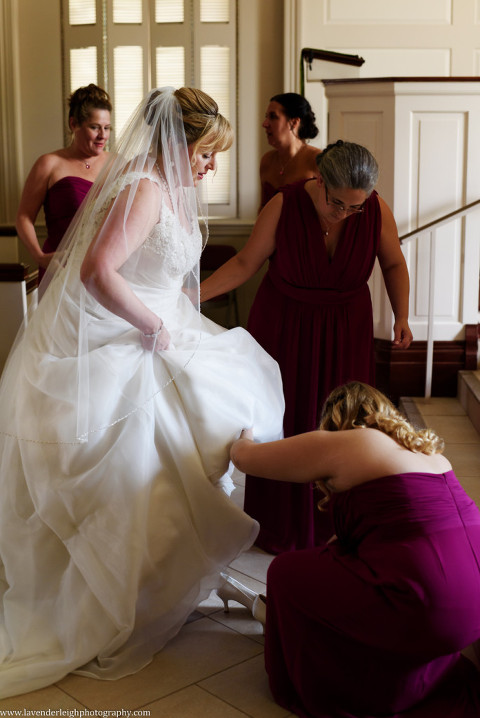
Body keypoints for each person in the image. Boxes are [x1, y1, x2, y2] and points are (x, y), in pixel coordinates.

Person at [0, 86, 284, 698]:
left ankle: (167, 582)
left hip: (164, 329)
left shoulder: (168, 185)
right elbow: (96, 270)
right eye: (208, 153)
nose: (212, 166)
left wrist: (177, 312)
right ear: (181, 143)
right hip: (134, 337)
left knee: (195, 451)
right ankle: (118, 595)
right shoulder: (144, 187)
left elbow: (159, 270)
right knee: (138, 464)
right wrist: (154, 325)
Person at [201, 140, 413, 553]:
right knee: (287, 418)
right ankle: (278, 526)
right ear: (318, 179)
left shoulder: (374, 209)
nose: (348, 214)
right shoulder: (284, 205)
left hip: (346, 326)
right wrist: (190, 296)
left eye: (357, 207)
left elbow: (392, 261)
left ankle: (335, 526)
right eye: (339, 204)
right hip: (285, 324)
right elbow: (246, 263)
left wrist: (402, 314)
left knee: (345, 422)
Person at [230, 381, 480, 718]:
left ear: (338, 419)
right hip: (470, 611)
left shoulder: (349, 441)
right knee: (327, 567)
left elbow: (244, 458)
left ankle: (346, 686)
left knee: (286, 574)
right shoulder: (428, 453)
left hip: (428, 605)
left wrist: (244, 428)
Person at [16, 83, 112, 282]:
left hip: (104, 271)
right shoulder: (49, 164)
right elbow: (24, 217)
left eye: (107, 128)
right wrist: (39, 257)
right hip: (61, 270)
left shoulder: (118, 163)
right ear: (73, 124)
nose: (102, 135)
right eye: (94, 127)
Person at [259, 92, 321, 210]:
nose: (265, 124)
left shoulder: (317, 159)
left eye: (273, 116)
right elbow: (262, 208)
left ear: (293, 122)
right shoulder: (266, 160)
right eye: (266, 117)